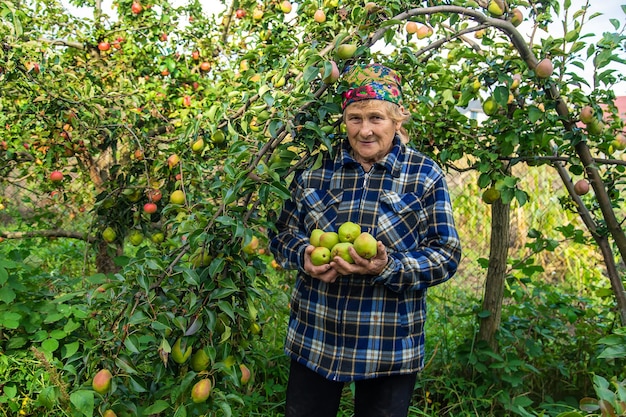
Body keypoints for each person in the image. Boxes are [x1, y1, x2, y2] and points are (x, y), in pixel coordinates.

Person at [269, 63, 462, 417]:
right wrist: (303, 256)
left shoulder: (424, 174)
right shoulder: (314, 168)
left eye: (377, 118)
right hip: (316, 336)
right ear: (344, 120)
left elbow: (446, 255)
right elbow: (281, 234)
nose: (365, 130)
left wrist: (388, 266)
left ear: (397, 121)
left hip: (387, 344)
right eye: (355, 118)